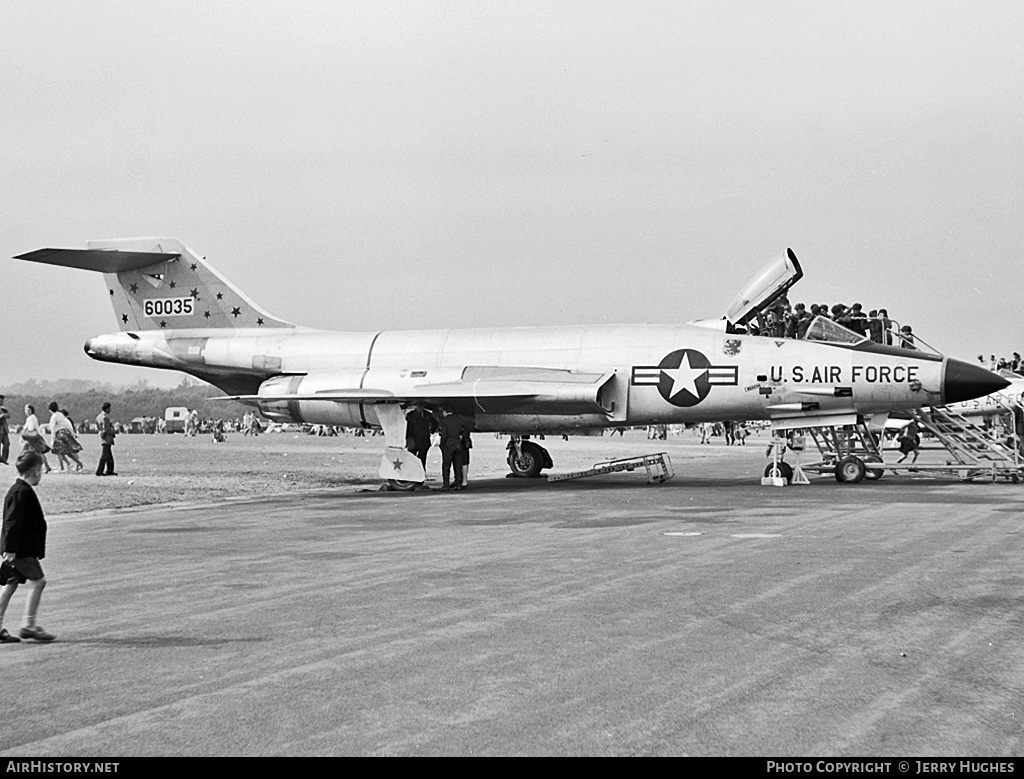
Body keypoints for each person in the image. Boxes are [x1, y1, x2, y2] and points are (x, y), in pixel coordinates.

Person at [0, 451, 56, 642]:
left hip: (17, 549)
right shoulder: (21, 492)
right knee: (39, 582)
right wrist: (10, 549)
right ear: (35, 470)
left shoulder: (19, 490)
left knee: (10, 584)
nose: (41, 474)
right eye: (40, 470)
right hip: (20, 550)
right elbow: (12, 522)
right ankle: (29, 625)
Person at [438, 406, 468, 491]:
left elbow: (444, 435)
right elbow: (464, 430)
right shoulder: (459, 420)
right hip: (457, 444)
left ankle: (446, 484)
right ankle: (458, 483)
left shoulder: (444, 421)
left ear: (445, 412)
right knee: (457, 465)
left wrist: (442, 444)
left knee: (446, 466)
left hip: (448, 445)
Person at [48, 402, 83, 472]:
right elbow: (67, 423)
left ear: (50, 410)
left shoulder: (54, 417)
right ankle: (79, 463)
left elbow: (53, 429)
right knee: (68, 451)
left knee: (58, 451)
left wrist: (52, 439)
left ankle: (62, 467)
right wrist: (73, 433)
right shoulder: (61, 415)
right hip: (66, 433)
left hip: (60, 434)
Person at [19, 405, 51, 474]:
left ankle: (25, 465)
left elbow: (31, 428)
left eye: (29, 410)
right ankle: (46, 466)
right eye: (26, 410)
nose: (27, 412)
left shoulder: (32, 418)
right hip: (31, 437)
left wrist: (25, 433)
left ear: (32, 410)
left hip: (33, 438)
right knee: (37, 453)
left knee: (37, 452)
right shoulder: (30, 418)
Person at [404, 404, 437, 469]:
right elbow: (407, 428)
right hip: (413, 440)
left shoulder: (427, 414)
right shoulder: (410, 415)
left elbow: (435, 423)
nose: (420, 407)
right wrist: (407, 439)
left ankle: (421, 473)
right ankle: (412, 472)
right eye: (419, 406)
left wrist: (431, 431)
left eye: (421, 406)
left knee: (422, 458)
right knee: (412, 458)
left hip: (424, 440)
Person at [95, 402, 117, 476]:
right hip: (107, 437)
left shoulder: (98, 417)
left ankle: (109, 470)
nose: (110, 410)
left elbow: (99, 428)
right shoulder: (105, 417)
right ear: (107, 408)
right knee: (105, 455)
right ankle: (99, 471)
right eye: (110, 408)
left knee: (109, 455)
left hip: (102, 436)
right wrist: (114, 431)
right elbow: (107, 429)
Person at [0, 398, 9, 466]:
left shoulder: (3, 409)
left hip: (4, 430)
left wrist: (4, 415)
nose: (2, 401)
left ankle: (4, 459)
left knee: (7, 444)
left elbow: (8, 415)